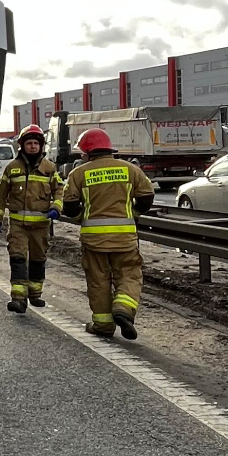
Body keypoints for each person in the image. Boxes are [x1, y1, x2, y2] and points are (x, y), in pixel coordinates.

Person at [61, 128, 155, 339]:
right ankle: (123, 308)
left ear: (87, 152)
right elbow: (146, 197)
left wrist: (83, 217)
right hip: (125, 238)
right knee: (129, 274)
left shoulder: (78, 173)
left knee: (98, 280)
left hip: (93, 240)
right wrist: (133, 213)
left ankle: (103, 325)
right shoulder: (130, 169)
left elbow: (70, 207)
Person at [0, 125, 63, 313]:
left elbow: (59, 190)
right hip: (18, 226)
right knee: (18, 258)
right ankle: (18, 298)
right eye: (29, 143)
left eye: (36, 144)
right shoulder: (12, 168)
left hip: (40, 225)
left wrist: (56, 207)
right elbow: (1, 196)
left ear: (41, 146)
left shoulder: (49, 168)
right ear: (22, 145)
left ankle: (35, 294)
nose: (33, 146)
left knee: (38, 259)